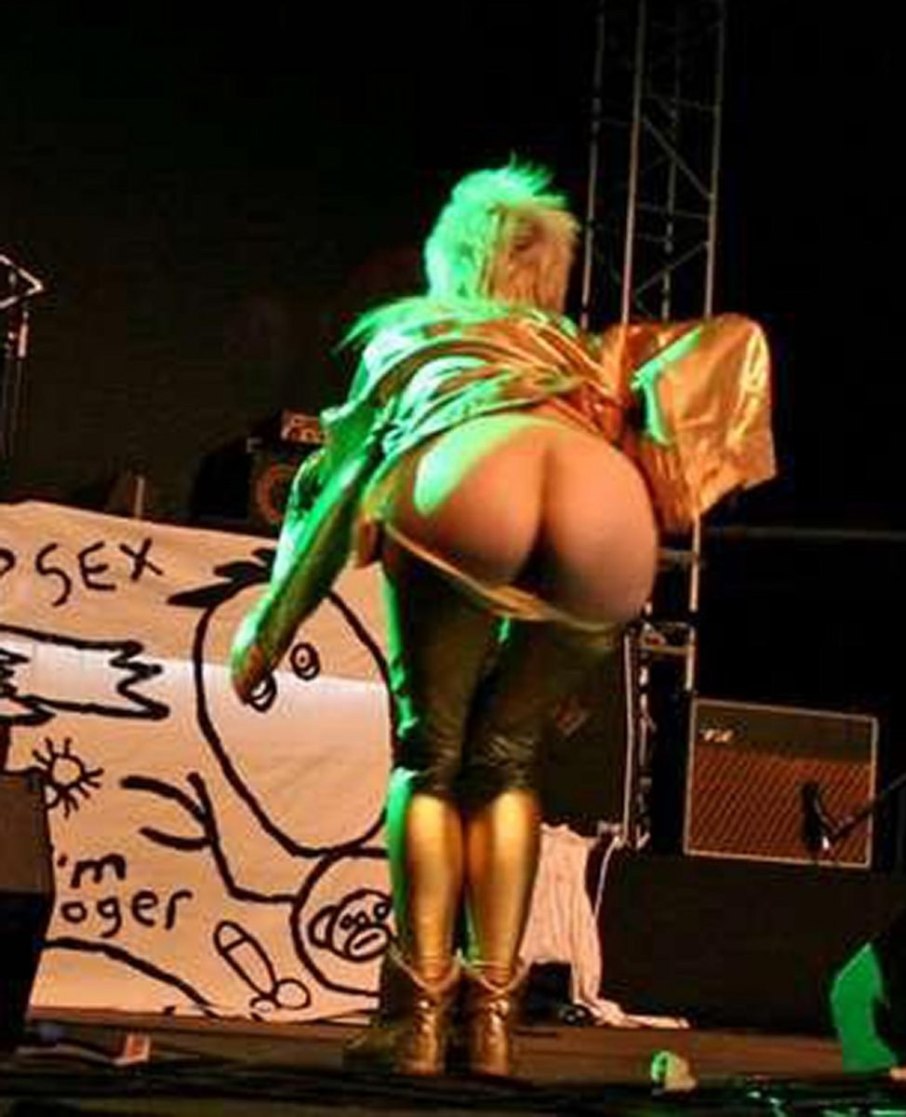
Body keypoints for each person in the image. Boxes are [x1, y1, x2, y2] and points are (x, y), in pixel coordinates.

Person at [230, 162, 775, 1078]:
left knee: (430, 755)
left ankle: (413, 1019)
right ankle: (492, 1024)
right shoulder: (580, 350)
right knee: (509, 759)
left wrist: (272, 621)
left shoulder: (412, 332)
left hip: (472, 470)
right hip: (606, 509)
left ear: (452, 257)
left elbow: (340, 482)